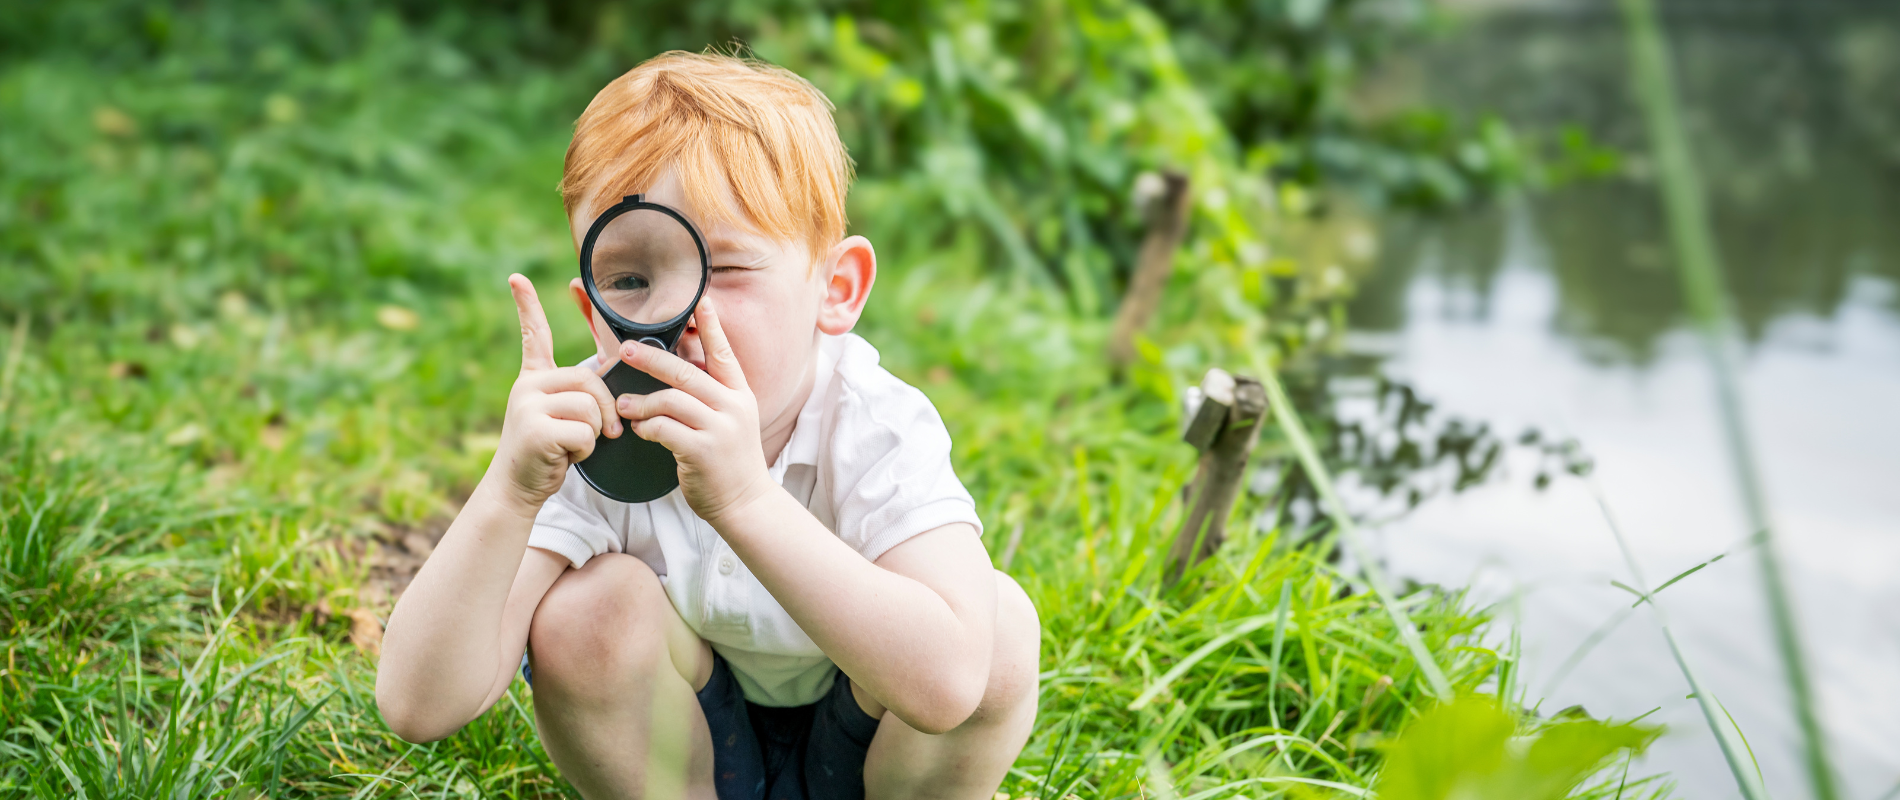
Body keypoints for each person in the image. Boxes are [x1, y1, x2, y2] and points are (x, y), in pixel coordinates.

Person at [373, 51, 1040, 800]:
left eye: (722, 269)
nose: (676, 312)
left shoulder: (877, 424)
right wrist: (510, 492)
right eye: (629, 279)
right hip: (685, 741)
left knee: (999, 632)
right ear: (594, 313)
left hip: (867, 736)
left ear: (836, 290)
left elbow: (947, 685)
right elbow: (416, 706)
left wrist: (746, 500)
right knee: (584, 614)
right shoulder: (593, 437)